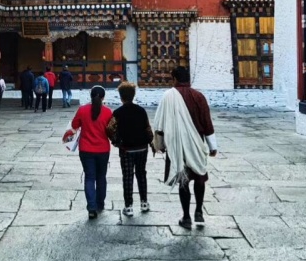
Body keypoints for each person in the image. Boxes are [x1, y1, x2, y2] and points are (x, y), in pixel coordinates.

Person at [153, 66, 217, 230]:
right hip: (197, 143)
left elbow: (159, 123)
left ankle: (186, 217)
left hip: (177, 145)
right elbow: (207, 123)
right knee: (200, 177)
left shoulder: (168, 96)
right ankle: (199, 212)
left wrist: (159, 145)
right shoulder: (199, 96)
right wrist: (213, 146)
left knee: (183, 180)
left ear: (174, 78)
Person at [106, 82, 153, 217]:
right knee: (141, 174)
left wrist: (116, 141)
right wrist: (152, 142)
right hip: (142, 148)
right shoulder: (141, 110)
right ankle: (144, 202)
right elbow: (147, 128)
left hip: (126, 149)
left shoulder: (118, 112)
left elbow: (110, 128)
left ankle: (129, 206)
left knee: (127, 176)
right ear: (133, 95)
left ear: (121, 97)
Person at [68, 85, 113, 219]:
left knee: (89, 177)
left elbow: (74, 126)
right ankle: (100, 203)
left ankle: (91, 207)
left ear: (90, 96)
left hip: (86, 149)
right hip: (103, 149)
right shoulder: (108, 112)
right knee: (101, 177)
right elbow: (111, 131)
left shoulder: (82, 110)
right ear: (103, 97)